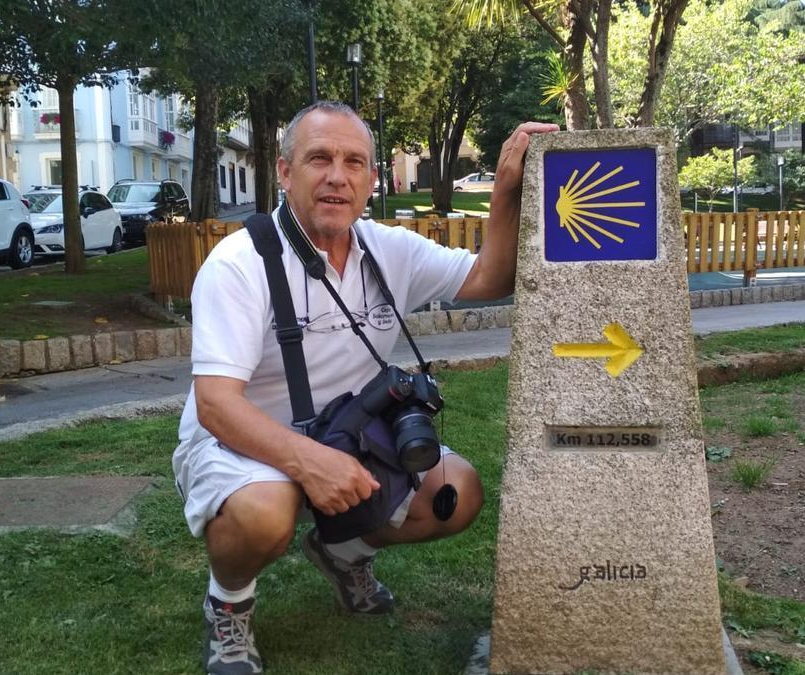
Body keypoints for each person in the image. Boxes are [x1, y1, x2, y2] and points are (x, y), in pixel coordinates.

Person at [172, 100, 557, 674]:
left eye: (354, 162)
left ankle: (341, 552)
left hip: (352, 436)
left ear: (372, 180)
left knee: (458, 493)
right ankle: (227, 604)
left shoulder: (387, 248)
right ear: (284, 172)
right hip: (242, 446)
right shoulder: (238, 264)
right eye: (319, 158)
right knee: (265, 511)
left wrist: (505, 188)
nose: (337, 176)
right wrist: (308, 465)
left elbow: (488, 277)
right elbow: (216, 405)